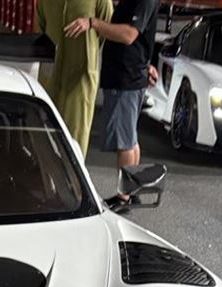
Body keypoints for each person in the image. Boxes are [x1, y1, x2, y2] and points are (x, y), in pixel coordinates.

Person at [65, 0, 159, 211]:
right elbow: (142, 36)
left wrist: (93, 23)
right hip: (131, 74)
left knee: (125, 142)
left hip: (126, 77)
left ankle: (124, 197)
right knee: (130, 138)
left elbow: (129, 35)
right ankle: (131, 192)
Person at [35, 0, 112, 155]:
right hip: (50, 74)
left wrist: (88, 47)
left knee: (76, 135)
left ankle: (73, 170)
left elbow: (107, 26)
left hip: (81, 75)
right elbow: (40, 27)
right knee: (44, 132)